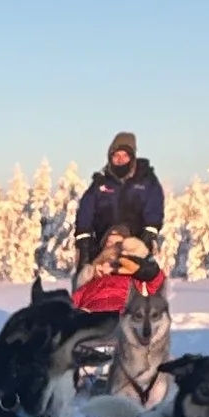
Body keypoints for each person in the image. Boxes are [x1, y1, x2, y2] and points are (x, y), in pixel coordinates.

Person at [71, 134, 167, 314]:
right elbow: (85, 211)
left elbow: (154, 209)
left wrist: (148, 235)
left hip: (134, 244)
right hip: (102, 245)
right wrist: (83, 242)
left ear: (132, 158)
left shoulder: (146, 181)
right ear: (110, 157)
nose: (120, 159)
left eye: (125, 156)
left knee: (147, 282)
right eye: (116, 156)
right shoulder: (101, 183)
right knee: (84, 280)